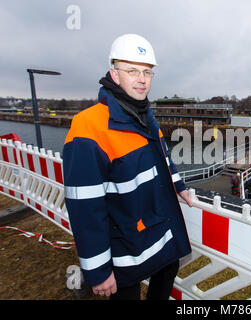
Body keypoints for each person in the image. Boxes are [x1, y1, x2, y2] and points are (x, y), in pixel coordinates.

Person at [63, 34, 192, 300]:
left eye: (147, 72)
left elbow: (163, 156)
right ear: (114, 73)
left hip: (156, 224)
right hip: (122, 240)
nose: (142, 78)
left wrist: (179, 185)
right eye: (132, 70)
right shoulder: (88, 127)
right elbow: (84, 204)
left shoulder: (145, 116)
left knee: (169, 268)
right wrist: (97, 270)